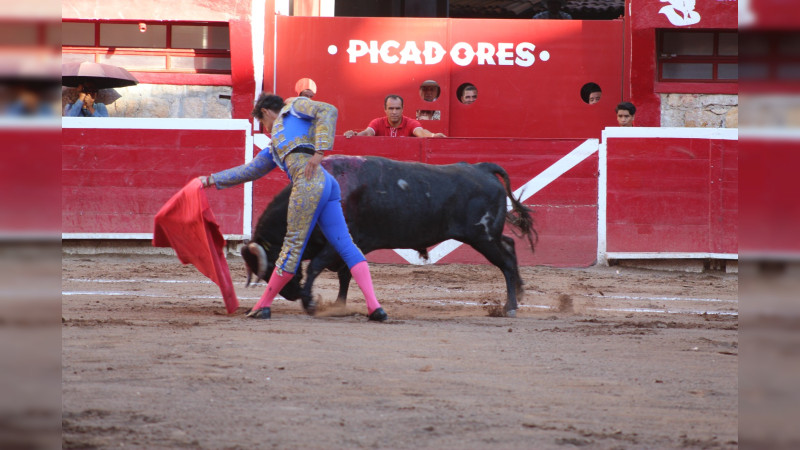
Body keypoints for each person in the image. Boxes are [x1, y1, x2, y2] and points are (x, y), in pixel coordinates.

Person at [199, 93, 388, 322]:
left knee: (292, 246)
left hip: (309, 183)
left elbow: (328, 109)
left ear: (266, 112)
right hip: (327, 184)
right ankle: (374, 307)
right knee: (346, 245)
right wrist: (209, 180)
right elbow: (249, 171)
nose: (267, 129)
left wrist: (319, 153)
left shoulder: (295, 106)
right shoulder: (275, 147)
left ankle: (263, 305)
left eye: (263, 123)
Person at [344, 95, 446, 138]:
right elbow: (368, 132)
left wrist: (433, 136)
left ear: (402, 109)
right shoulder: (377, 122)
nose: (394, 112)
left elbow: (421, 132)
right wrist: (356, 135)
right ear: (385, 109)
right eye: (391, 108)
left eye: (397, 109)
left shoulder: (410, 123)